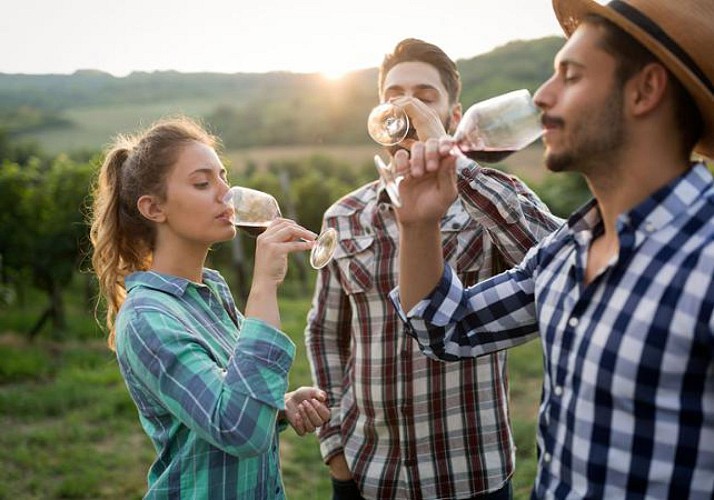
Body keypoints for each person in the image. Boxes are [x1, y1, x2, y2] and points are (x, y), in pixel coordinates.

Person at [391, 0, 714, 497]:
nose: (542, 96)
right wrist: (419, 223)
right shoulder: (566, 249)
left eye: (571, 75)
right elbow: (444, 328)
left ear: (645, 90)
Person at [305, 38, 562, 499]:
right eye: (393, 95)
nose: (406, 106)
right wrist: (336, 450)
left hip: (470, 473)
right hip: (368, 473)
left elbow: (565, 262)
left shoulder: (490, 202)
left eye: (424, 97)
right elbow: (325, 332)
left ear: (454, 116)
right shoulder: (343, 217)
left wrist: (453, 162)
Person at [89, 116, 330, 499]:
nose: (226, 194)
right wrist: (265, 284)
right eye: (203, 183)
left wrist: (280, 405)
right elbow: (240, 430)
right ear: (154, 208)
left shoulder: (211, 290)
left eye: (223, 177)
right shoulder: (147, 319)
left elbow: (226, 394)